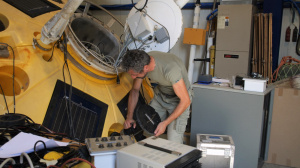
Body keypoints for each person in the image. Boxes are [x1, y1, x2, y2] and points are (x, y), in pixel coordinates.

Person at [121, 49, 192, 144]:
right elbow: (135, 90)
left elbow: (185, 101)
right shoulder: (143, 60)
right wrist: (129, 117)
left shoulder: (170, 69)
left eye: (134, 75)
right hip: (160, 96)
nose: (133, 77)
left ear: (146, 68)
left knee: (173, 142)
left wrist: (165, 123)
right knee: (148, 133)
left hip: (179, 101)